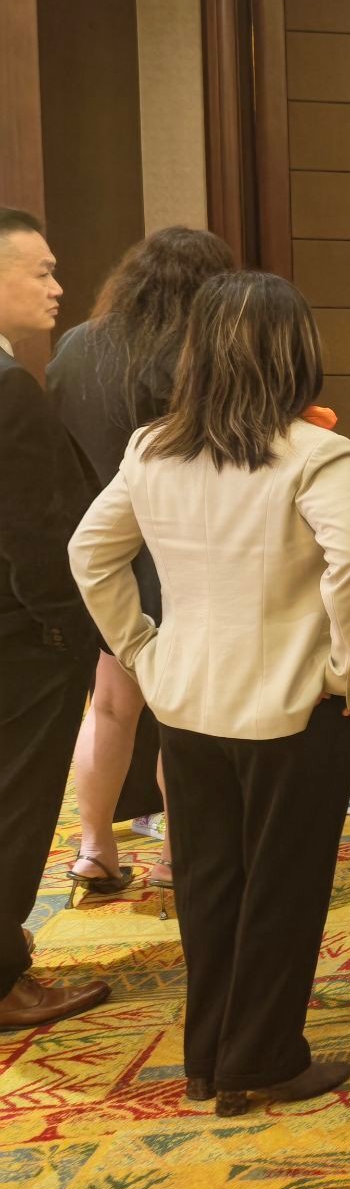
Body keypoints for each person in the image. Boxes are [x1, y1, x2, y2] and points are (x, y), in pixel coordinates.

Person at [69, 271, 350, 1115]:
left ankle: (209, 1054)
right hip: (296, 703)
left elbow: (90, 554)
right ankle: (263, 1059)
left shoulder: (152, 448)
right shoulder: (318, 453)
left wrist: (140, 646)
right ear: (297, 353)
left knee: (208, 880)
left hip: (186, 698)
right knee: (284, 883)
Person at [49, 226, 233, 898]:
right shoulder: (195, 354)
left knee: (108, 708)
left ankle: (94, 848)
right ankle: (176, 856)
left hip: (97, 553)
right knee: (179, 717)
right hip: (178, 555)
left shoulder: (75, 348)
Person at [0, 209, 108, 1031]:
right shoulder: (8, 391)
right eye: (40, 271)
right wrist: (70, 632)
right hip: (20, 641)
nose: (57, 287)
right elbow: (35, 535)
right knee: (17, 806)